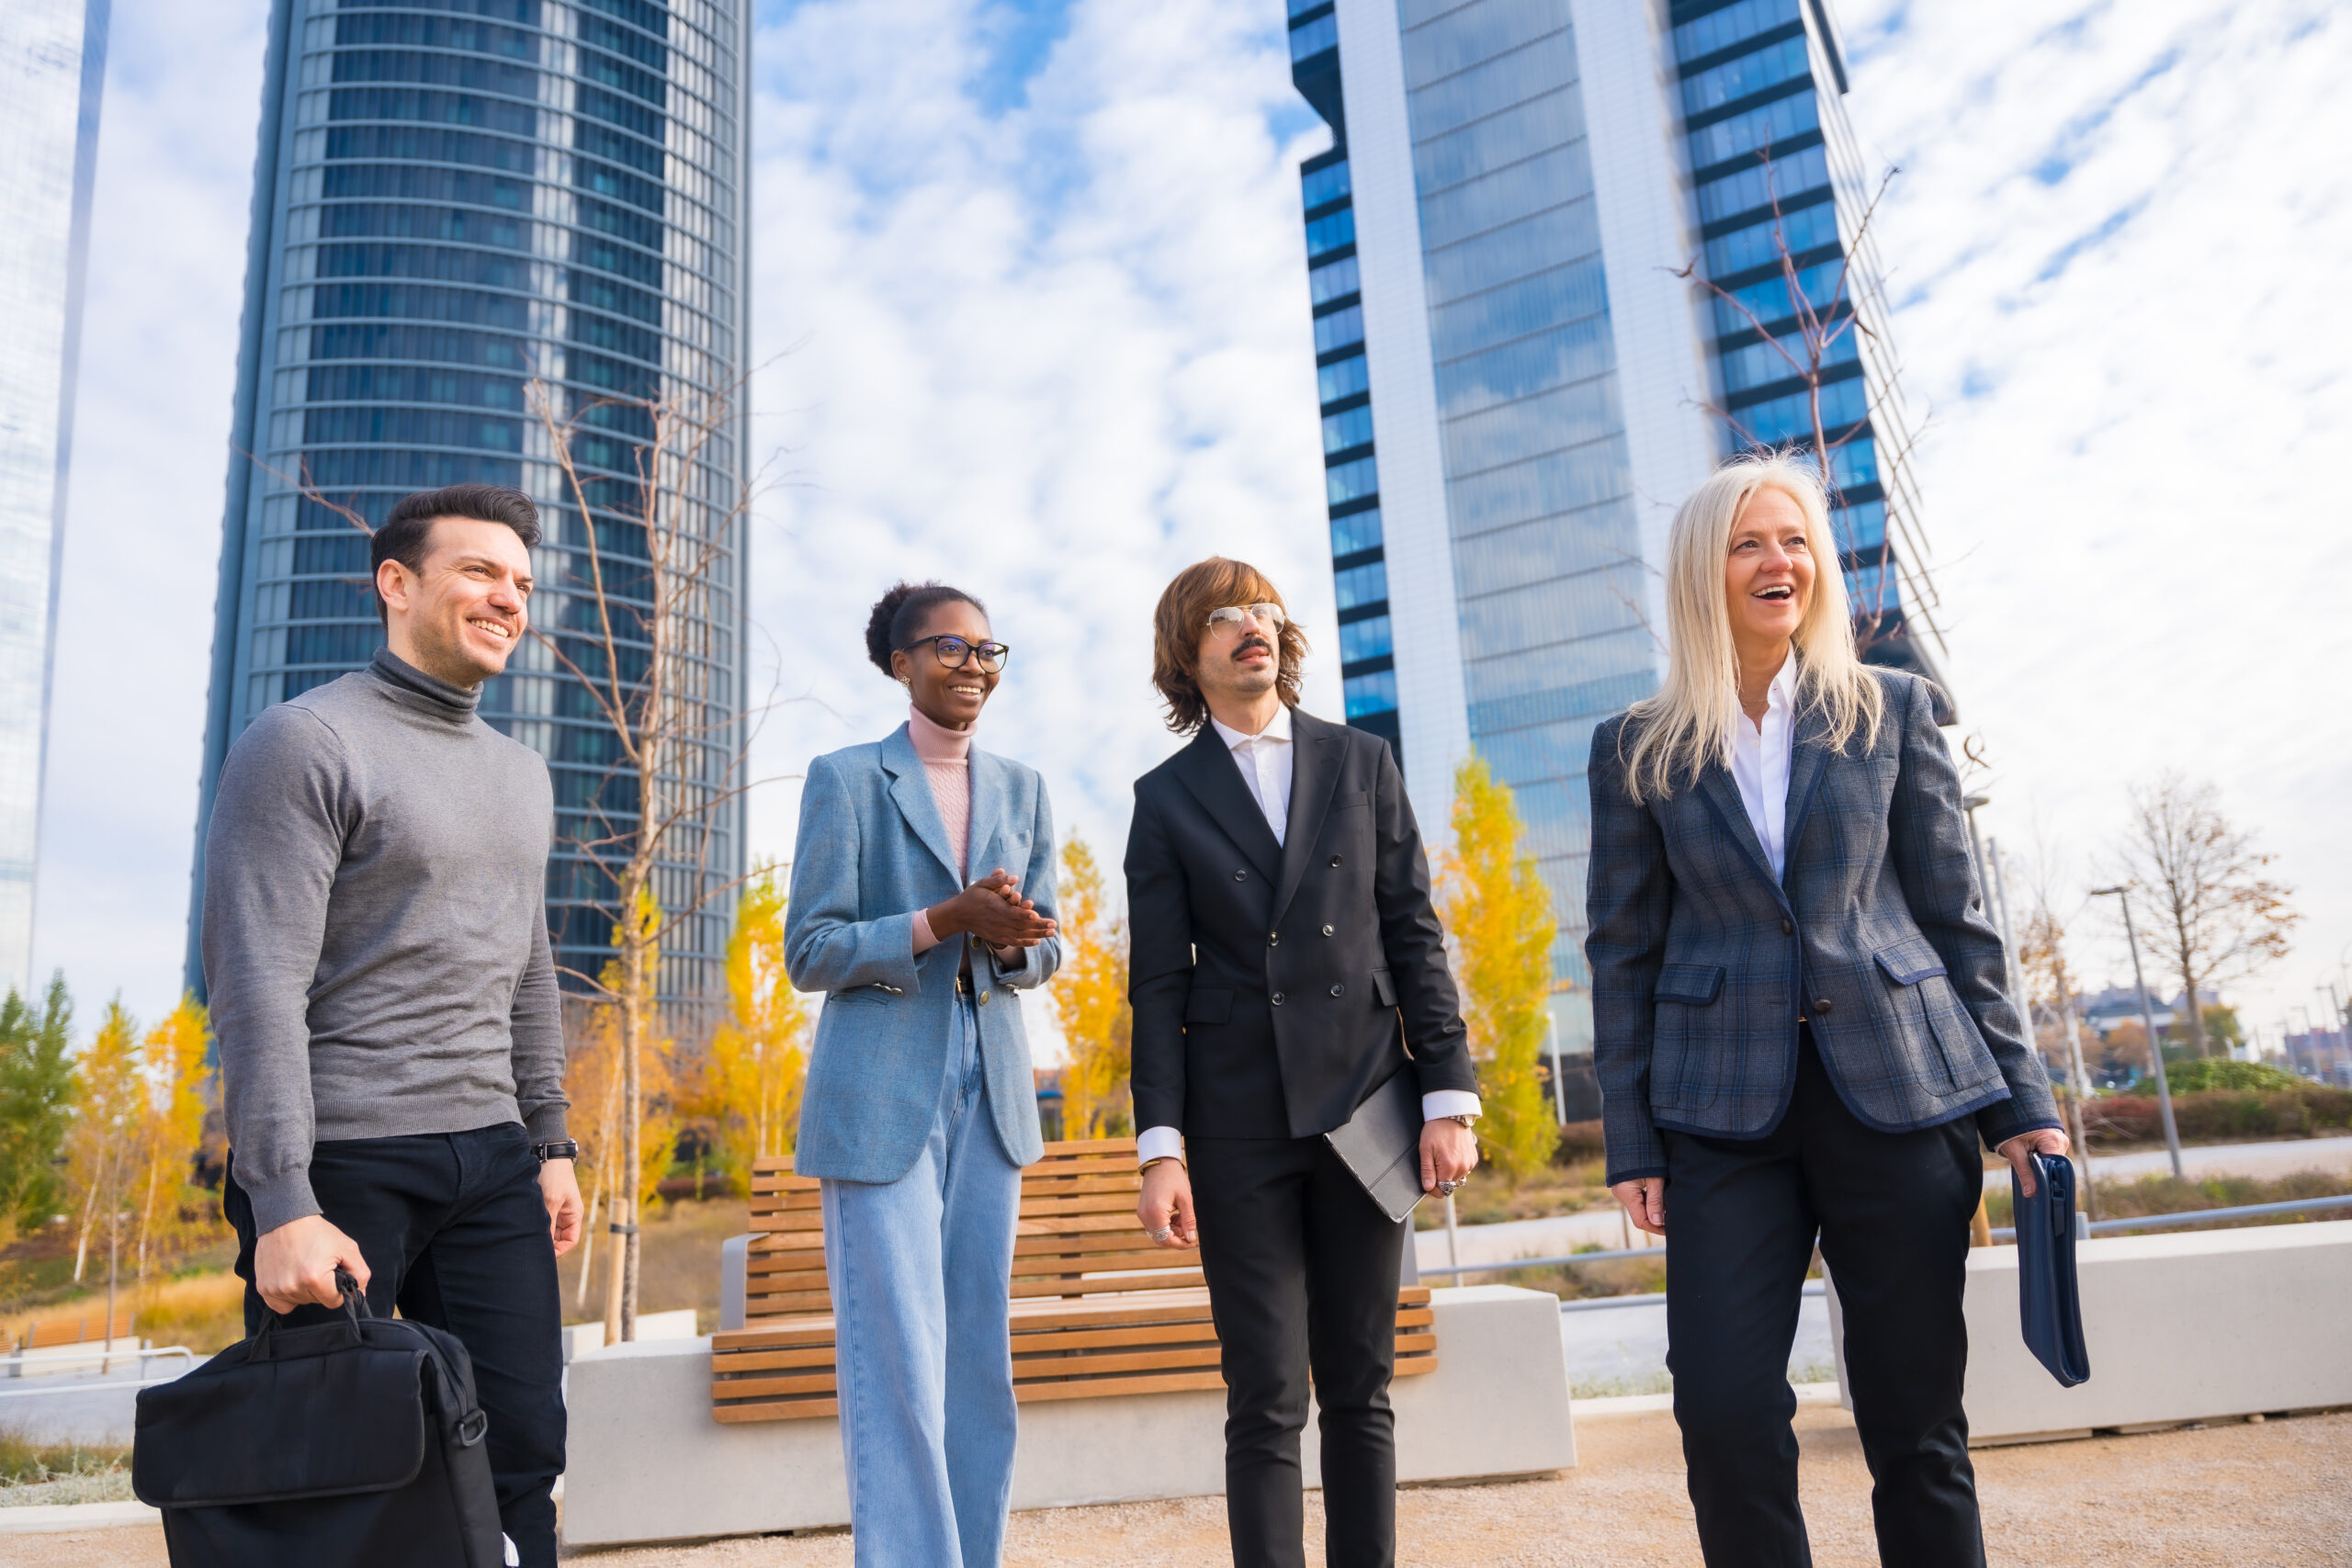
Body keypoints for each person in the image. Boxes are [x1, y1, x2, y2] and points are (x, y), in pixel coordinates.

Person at [1585, 452, 2068, 1566]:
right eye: (1750, 542)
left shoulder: (1890, 708)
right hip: (1718, 1116)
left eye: (1794, 540)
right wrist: (1630, 1137)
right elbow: (1622, 950)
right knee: (1720, 1409)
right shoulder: (1635, 746)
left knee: (1914, 1424)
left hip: (1901, 1091)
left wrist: (2021, 1104)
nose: (1777, 561)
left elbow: (1958, 918)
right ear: (1706, 570)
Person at [203, 482, 582, 1567]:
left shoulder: (521, 773)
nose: (507, 597)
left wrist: (549, 1140)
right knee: (346, 1477)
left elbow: (529, 962)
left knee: (524, 1455)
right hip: (347, 1162)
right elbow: (256, 982)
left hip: (494, 1160)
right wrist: (281, 1199)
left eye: (519, 580)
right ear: (397, 583)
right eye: (478, 571)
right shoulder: (304, 742)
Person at [1125, 558, 1479, 1568]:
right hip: (1237, 1121)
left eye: (1268, 612)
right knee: (1266, 1395)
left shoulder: (1361, 760)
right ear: (1185, 655)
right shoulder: (1164, 800)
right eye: (1227, 616)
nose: (1255, 627)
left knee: (1361, 1386)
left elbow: (1414, 931)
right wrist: (1163, 1149)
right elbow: (1155, 986)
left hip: (1367, 1098)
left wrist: (1447, 1097)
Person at [785, 581, 1061, 1568]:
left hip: (990, 1098)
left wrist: (1020, 939)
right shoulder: (846, 777)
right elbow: (809, 951)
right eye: (949, 646)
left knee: (978, 1363)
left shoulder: (1024, 787)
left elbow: (1048, 951)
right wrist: (943, 921)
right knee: (898, 1359)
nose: (973, 665)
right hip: (878, 1099)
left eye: (988, 650)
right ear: (899, 662)